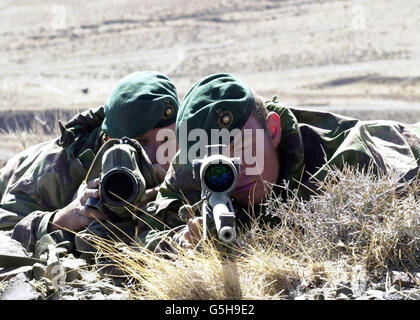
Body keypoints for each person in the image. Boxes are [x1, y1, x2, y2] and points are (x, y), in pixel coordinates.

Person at [136, 72, 420, 250]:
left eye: (244, 148)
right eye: (217, 157)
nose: (234, 167)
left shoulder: (343, 164)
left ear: (272, 131)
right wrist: (182, 240)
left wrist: (246, 233)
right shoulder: (198, 164)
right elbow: (147, 228)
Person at [0, 71, 180, 253]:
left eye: (167, 139)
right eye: (140, 142)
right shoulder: (56, 167)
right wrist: (62, 218)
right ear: (108, 139)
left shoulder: (190, 156)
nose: (158, 155)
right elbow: (5, 234)